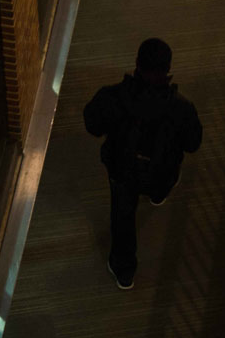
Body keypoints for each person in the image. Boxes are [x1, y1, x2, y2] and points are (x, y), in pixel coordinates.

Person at [84, 38, 203, 290]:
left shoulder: (113, 97)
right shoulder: (182, 108)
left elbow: (92, 124)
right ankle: (158, 195)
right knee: (163, 179)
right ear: (168, 69)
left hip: (122, 170)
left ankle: (124, 271)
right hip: (162, 171)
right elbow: (193, 144)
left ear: (137, 64)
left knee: (123, 217)